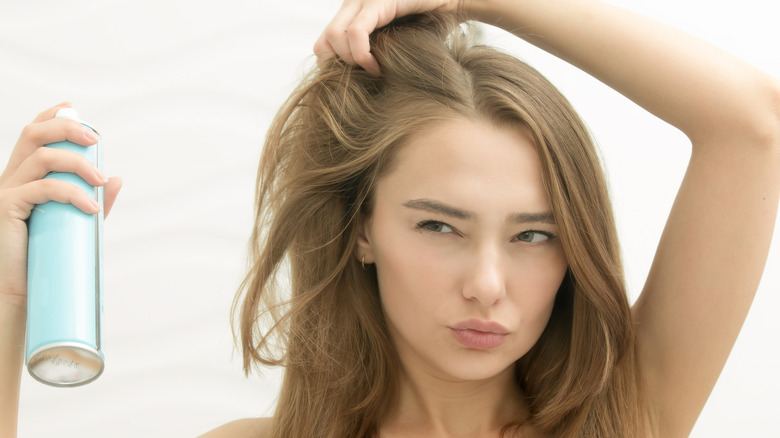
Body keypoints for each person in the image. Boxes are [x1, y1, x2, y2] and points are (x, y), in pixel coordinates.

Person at [1, 0, 777, 437]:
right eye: (439, 226)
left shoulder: (624, 418)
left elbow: (750, 122)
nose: (487, 284)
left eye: (533, 235)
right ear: (363, 228)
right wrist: (6, 298)